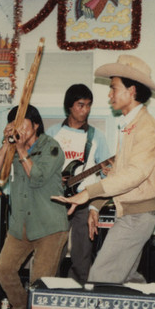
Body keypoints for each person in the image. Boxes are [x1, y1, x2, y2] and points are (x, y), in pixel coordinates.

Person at [52, 55, 155, 285]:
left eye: (114, 88)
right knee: (128, 280)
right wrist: (96, 206)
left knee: (100, 278)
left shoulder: (146, 128)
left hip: (136, 216)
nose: (109, 94)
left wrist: (88, 193)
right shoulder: (130, 125)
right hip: (132, 213)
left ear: (131, 91)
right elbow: (117, 173)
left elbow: (134, 175)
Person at [0, 105, 69, 309]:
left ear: (35, 125)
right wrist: (7, 145)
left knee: (38, 283)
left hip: (50, 226)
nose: (19, 128)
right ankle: (22, 306)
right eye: (14, 124)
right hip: (21, 223)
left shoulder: (51, 147)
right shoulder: (13, 146)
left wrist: (21, 150)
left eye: (23, 123)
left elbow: (38, 177)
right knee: (3, 269)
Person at [47, 84, 111, 283]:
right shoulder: (52, 133)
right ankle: (50, 290)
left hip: (84, 200)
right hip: (56, 200)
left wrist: (94, 204)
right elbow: (42, 166)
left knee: (82, 255)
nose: (85, 110)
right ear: (69, 107)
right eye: (80, 105)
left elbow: (105, 174)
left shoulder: (96, 136)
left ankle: (79, 293)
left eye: (89, 105)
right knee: (51, 252)